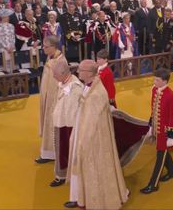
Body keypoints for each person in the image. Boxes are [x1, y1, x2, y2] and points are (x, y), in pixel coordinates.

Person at [65, 59, 129, 209]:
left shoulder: (96, 93)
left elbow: (91, 122)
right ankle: (80, 196)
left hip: (94, 139)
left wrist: (80, 142)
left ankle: (97, 200)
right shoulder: (90, 86)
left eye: (80, 70)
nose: (78, 72)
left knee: (95, 170)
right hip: (84, 132)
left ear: (88, 73)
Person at [141, 68, 173, 194]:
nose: (154, 81)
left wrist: (170, 137)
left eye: (157, 80)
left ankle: (153, 184)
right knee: (163, 154)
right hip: (157, 129)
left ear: (164, 81)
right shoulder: (154, 90)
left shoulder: (171, 96)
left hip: (165, 133)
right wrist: (151, 124)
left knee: (160, 157)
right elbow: (154, 108)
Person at [50, 60, 83, 187]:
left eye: (55, 74)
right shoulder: (63, 82)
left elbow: (74, 109)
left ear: (63, 73)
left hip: (69, 126)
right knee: (61, 151)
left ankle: (71, 177)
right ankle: (61, 175)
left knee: (69, 152)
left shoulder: (75, 86)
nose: (53, 76)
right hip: (61, 124)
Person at [36, 35, 68, 164]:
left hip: (54, 99)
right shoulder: (51, 57)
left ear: (54, 47)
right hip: (47, 97)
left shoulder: (60, 61)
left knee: (51, 125)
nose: (43, 48)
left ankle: (51, 153)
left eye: (46, 46)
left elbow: (62, 82)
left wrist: (55, 100)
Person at [0, 8, 15, 73]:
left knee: (13, 65)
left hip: (12, 48)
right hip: (3, 48)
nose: (8, 17)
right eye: (7, 16)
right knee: (4, 65)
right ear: (3, 17)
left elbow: (13, 37)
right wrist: (6, 48)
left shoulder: (11, 25)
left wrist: (12, 46)